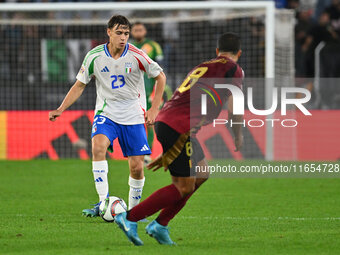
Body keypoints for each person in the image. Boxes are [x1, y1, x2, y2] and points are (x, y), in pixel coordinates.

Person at [114, 32, 244, 246]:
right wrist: (237, 134)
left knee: (201, 173)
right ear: (239, 53)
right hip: (179, 128)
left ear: (216, 52)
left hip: (171, 122)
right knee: (183, 186)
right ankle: (129, 217)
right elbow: (234, 107)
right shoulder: (233, 69)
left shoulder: (203, 66)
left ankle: (160, 225)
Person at [48, 15, 166, 217]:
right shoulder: (94, 56)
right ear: (108, 32)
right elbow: (80, 85)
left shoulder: (137, 55)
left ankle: (133, 212)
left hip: (133, 114)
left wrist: (154, 108)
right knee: (98, 147)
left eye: (126, 34)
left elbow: (160, 76)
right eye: (119, 33)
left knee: (137, 167)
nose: (123, 37)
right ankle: (103, 203)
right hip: (106, 112)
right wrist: (61, 108)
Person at [131, 22, 171, 164]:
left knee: (150, 122)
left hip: (150, 90)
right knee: (134, 121)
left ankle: (147, 152)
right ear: (131, 32)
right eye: (135, 30)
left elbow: (161, 67)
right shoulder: (128, 47)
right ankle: (136, 150)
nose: (138, 32)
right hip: (132, 89)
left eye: (140, 29)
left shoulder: (153, 46)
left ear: (145, 31)